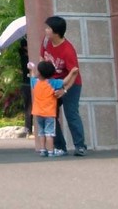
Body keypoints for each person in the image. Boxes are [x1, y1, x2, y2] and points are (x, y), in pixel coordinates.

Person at [40, 14, 86, 156]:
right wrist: (42, 78)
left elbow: (74, 72)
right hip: (52, 83)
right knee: (50, 114)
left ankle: (80, 146)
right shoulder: (46, 41)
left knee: (71, 113)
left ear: (56, 32)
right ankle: (60, 147)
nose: (45, 30)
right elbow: (42, 58)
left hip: (71, 84)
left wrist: (64, 90)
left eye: (48, 28)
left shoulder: (68, 50)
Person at [31, 60, 65, 157]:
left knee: (41, 132)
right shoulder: (53, 83)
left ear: (40, 73)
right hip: (49, 113)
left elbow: (32, 76)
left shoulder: (35, 82)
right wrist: (72, 74)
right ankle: (51, 151)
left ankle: (43, 150)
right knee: (49, 133)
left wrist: (31, 69)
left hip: (38, 112)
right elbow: (65, 82)